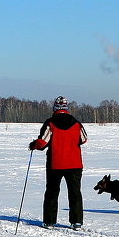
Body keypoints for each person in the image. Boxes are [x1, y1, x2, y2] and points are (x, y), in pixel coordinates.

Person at [29, 96, 88, 228]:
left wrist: (33, 145)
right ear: (66, 108)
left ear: (55, 107)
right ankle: (76, 221)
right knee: (75, 193)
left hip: (55, 163)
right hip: (74, 164)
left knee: (52, 192)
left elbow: (42, 142)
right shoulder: (76, 123)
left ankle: (49, 221)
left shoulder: (50, 123)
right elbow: (83, 139)